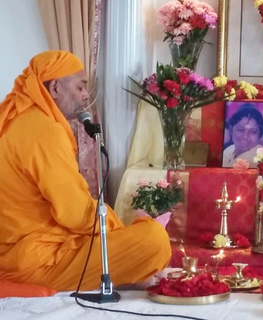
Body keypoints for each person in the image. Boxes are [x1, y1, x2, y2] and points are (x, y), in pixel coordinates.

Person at [0, 51, 171, 291]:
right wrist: (117, 228)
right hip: (36, 262)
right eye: (80, 87)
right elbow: (74, 213)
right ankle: (133, 270)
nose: (85, 95)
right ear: (56, 88)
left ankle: (130, 271)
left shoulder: (15, 120)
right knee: (154, 240)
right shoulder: (44, 131)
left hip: (17, 253)